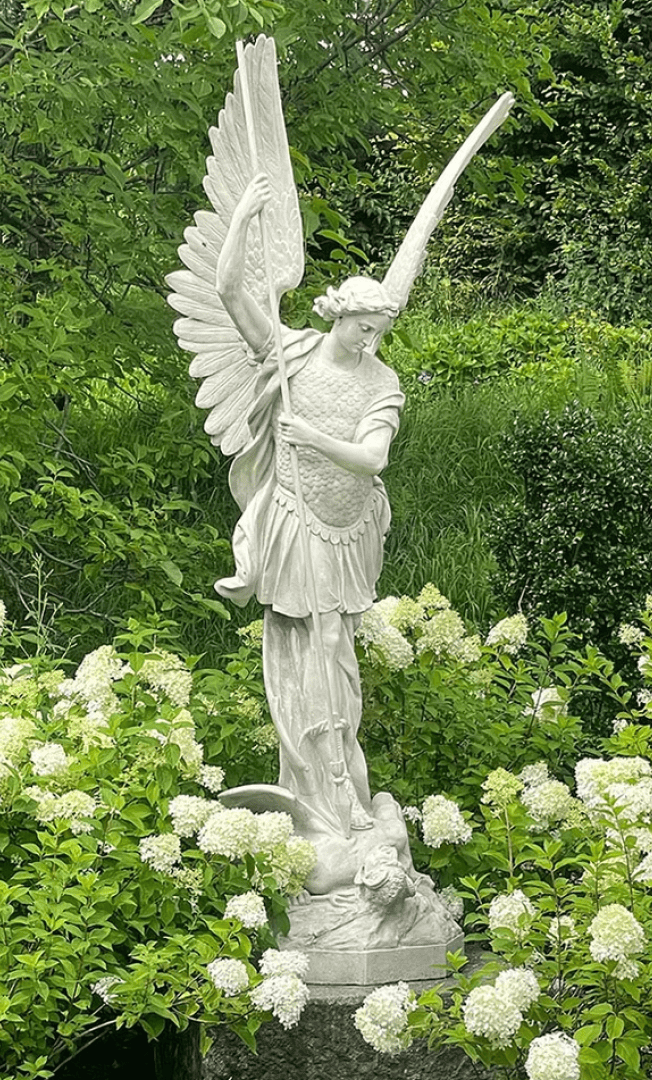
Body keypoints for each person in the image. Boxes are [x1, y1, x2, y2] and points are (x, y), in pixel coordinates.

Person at [213, 172, 405, 840]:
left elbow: (372, 458)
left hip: (352, 528)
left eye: (378, 331)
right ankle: (322, 783)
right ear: (338, 316)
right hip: (298, 519)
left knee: (336, 646)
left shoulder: (382, 382)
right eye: (361, 328)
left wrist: (314, 436)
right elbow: (231, 291)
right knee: (314, 643)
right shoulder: (291, 353)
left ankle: (342, 777)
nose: (368, 340)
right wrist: (244, 218)